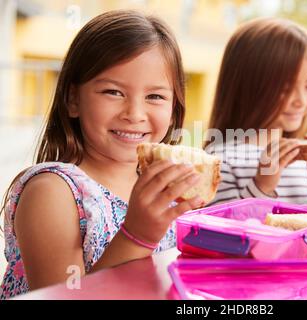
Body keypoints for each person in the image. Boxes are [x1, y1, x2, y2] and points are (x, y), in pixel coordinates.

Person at [0, 10, 203, 299]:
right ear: (73, 100)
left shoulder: (165, 189)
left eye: (155, 97)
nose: (134, 113)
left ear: (173, 110)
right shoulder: (53, 192)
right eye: (113, 92)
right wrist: (138, 236)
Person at [204, 17, 307, 206]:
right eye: (286, 87)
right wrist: (261, 186)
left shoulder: (302, 163)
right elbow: (221, 231)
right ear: (247, 86)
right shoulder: (221, 160)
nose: (301, 101)